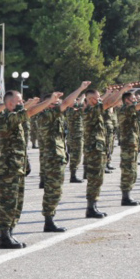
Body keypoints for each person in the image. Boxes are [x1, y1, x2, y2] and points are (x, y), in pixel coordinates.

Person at [0, 90, 57, 249]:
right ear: (9, 104)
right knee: (7, 202)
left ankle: (9, 232)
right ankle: (4, 236)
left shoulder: (14, 117)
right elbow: (30, 111)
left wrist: (26, 163)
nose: (22, 104)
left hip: (17, 166)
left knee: (16, 202)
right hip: (9, 167)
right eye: (19, 101)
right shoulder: (6, 117)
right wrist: (48, 102)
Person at [40, 82, 89, 232]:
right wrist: (80, 88)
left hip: (58, 157)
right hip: (52, 158)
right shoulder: (46, 114)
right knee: (52, 190)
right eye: (55, 102)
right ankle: (48, 221)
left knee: (56, 190)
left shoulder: (56, 116)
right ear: (48, 105)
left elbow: (73, 104)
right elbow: (68, 102)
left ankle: (50, 219)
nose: (59, 105)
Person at [81, 86, 128, 219]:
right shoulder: (90, 110)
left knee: (98, 179)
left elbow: (109, 103)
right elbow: (109, 103)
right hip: (94, 150)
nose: (99, 100)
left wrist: (119, 93)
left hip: (98, 149)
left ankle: (93, 206)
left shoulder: (95, 109)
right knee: (94, 179)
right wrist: (122, 91)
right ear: (89, 99)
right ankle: (90, 208)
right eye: (96, 98)